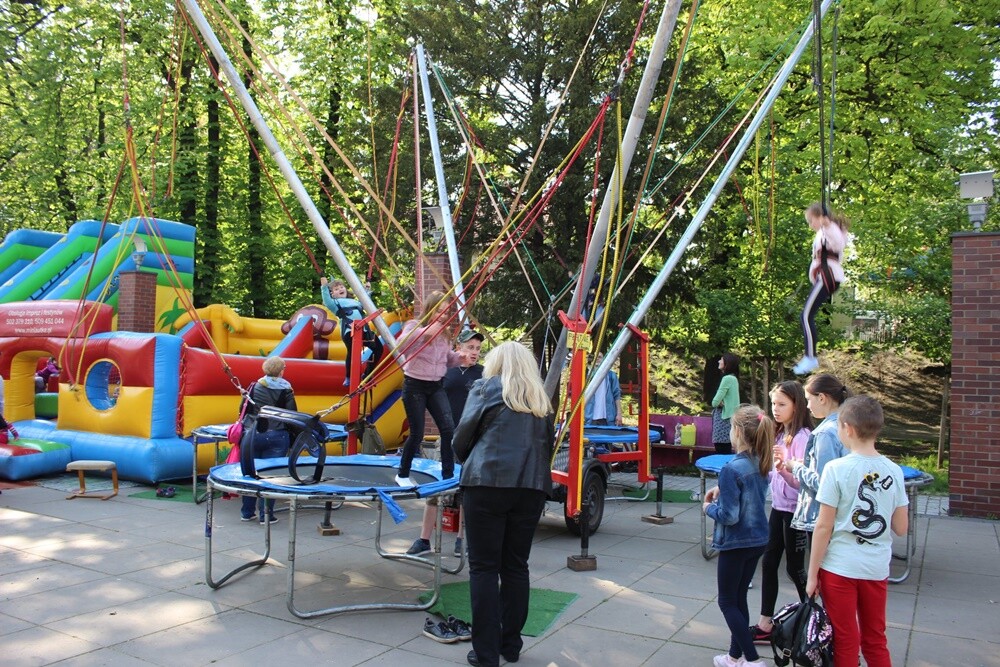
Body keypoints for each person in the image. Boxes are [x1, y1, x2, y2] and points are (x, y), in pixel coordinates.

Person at [453, 341, 554, 667]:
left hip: (486, 483)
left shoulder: (485, 389)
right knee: (516, 566)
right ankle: (510, 645)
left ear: (495, 364)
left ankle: (485, 654)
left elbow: (461, 439)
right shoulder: (540, 399)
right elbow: (547, 447)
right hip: (530, 487)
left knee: (484, 568)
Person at [806, 395, 908, 667]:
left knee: (845, 639)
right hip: (876, 567)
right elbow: (901, 527)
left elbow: (824, 526)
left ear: (847, 428)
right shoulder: (894, 471)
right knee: (875, 639)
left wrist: (812, 575)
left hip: (839, 567)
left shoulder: (835, 469)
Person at [702, 404, 774, 667]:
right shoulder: (761, 461)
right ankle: (734, 657)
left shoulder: (731, 468)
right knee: (739, 597)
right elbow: (746, 493)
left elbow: (729, 516)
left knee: (727, 602)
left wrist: (708, 508)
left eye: (732, 427)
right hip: (757, 540)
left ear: (739, 432)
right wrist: (722, 490)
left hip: (736, 543)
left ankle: (752, 660)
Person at [407, 328, 484, 558]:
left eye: (478, 348)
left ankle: (462, 539)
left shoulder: (483, 374)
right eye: (470, 347)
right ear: (459, 348)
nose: (474, 352)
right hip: (447, 437)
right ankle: (424, 539)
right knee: (436, 487)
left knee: (467, 490)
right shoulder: (444, 370)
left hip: (471, 439)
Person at [750, 381, 813, 644]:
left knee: (795, 569)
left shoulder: (803, 437)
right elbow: (770, 472)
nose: (775, 409)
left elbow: (804, 484)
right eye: (774, 403)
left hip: (796, 512)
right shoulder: (779, 433)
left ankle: (814, 623)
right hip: (778, 508)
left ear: (796, 406)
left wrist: (783, 469)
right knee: (768, 562)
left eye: (782, 404)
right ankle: (765, 624)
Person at [394, 290, 462, 487]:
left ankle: (448, 474)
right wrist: (424, 333)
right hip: (415, 385)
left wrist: (461, 358)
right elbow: (401, 346)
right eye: (439, 311)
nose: (442, 316)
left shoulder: (444, 333)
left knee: (448, 429)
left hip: (436, 385)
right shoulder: (414, 326)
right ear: (429, 309)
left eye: (446, 312)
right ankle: (402, 474)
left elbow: (447, 359)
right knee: (417, 433)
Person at [778, 373, 849, 538]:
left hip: (825, 518)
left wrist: (796, 468)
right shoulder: (848, 425)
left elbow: (823, 483)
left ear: (822, 398)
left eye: (809, 400)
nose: (808, 406)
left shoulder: (825, 433)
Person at [793, 203, 849, 375]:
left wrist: (827, 225)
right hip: (823, 277)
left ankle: (810, 357)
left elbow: (838, 244)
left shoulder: (831, 229)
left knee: (805, 315)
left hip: (828, 276)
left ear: (820, 217)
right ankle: (810, 356)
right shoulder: (822, 232)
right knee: (806, 315)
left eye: (812, 221)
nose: (810, 225)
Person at [240, 356, 297, 524]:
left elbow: (243, 409)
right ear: (281, 371)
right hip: (276, 435)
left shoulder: (254, 386)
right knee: (271, 475)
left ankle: (247, 512)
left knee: (250, 472)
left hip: (253, 433)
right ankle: (266, 515)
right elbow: (292, 414)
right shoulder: (286, 389)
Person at [320, 276, 384, 386]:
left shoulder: (355, 302)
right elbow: (326, 298)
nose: (340, 289)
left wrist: (367, 290)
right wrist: (324, 286)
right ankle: (349, 376)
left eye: (341, 287)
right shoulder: (334, 303)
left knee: (379, 348)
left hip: (364, 330)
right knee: (352, 352)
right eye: (336, 289)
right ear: (332, 294)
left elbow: (365, 302)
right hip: (349, 331)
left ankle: (368, 373)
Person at [710, 353, 741, 454]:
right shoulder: (734, 378)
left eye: (721, 360)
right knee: (727, 450)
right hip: (731, 419)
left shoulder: (727, 379)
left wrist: (719, 402)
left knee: (721, 450)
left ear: (727, 363)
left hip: (723, 420)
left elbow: (714, 402)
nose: (719, 361)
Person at [583, 352, 622, 426]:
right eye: (595, 357)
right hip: (590, 418)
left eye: (600, 357)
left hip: (608, 418)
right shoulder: (586, 376)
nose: (597, 358)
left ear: (604, 359)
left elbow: (617, 395)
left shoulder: (611, 376)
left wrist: (619, 414)